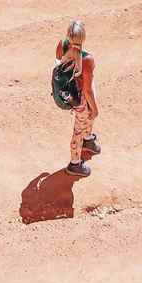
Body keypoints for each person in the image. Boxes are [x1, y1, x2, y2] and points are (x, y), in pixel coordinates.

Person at [57, 18, 99, 176]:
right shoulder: (87, 59)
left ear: (68, 34)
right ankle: (75, 164)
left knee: (84, 124)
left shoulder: (62, 45)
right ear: (84, 37)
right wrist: (95, 109)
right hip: (81, 98)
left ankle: (88, 139)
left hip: (68, 93)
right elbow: (88, 90)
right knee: (78, 130)